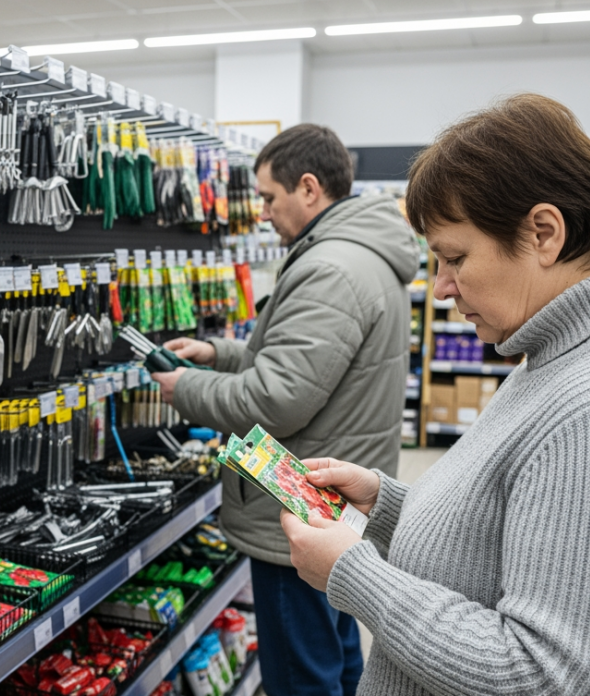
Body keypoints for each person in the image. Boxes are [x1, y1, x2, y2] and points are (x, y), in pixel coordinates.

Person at [281, 94, 590, 695]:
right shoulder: (559, 352)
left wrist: (355, 574)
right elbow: (516, 535)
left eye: (455, 257)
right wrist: (386, 506)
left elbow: (547, 677)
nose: (441, 288)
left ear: (543, 233)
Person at [149, 123, 419, 696]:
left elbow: (276, 399)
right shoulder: (361, 253)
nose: (264, 213)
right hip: (335, 501)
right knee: (337, 652)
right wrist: (219, 354)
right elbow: (308, 365)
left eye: (270, 198)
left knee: (301, 675)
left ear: (309, 188)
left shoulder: (330, 269)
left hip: (297, 501)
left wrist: (186, 388)